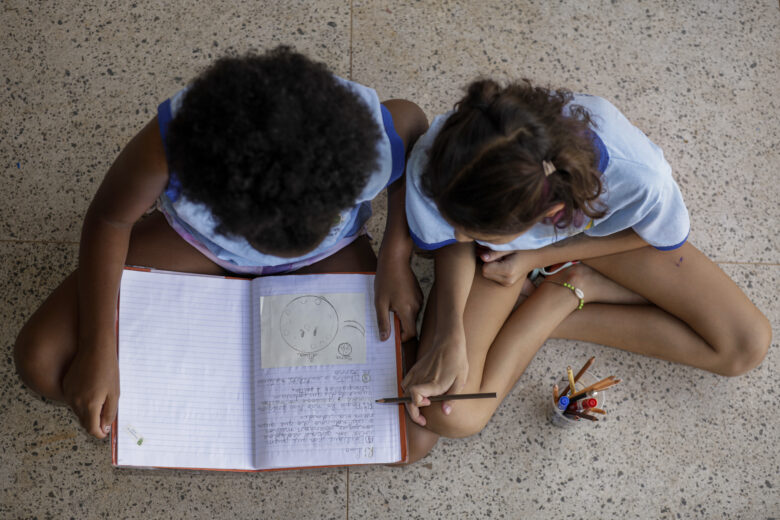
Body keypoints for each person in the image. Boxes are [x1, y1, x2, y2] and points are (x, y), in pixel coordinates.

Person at [14, 46, 428, 442]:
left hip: (331, 250)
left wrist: (395, 254)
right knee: (41, 362)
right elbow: (110, 218)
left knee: (410, 428)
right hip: (198, 245)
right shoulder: (176, 145)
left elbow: (410, 120)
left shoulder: (365, 142)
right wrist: (97, 347)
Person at [401, 79, 771, 453]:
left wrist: (537, 256)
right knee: (449, 414)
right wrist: (451, 334)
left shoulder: (639, 176)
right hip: (497, 260)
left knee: (745, 345)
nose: (460, 236)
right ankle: (557, 293)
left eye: (475, 232)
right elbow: (453, 244)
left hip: (599, 238)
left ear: (551, 215)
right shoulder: (449, 151)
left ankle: (563, 292)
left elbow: (648, 234)